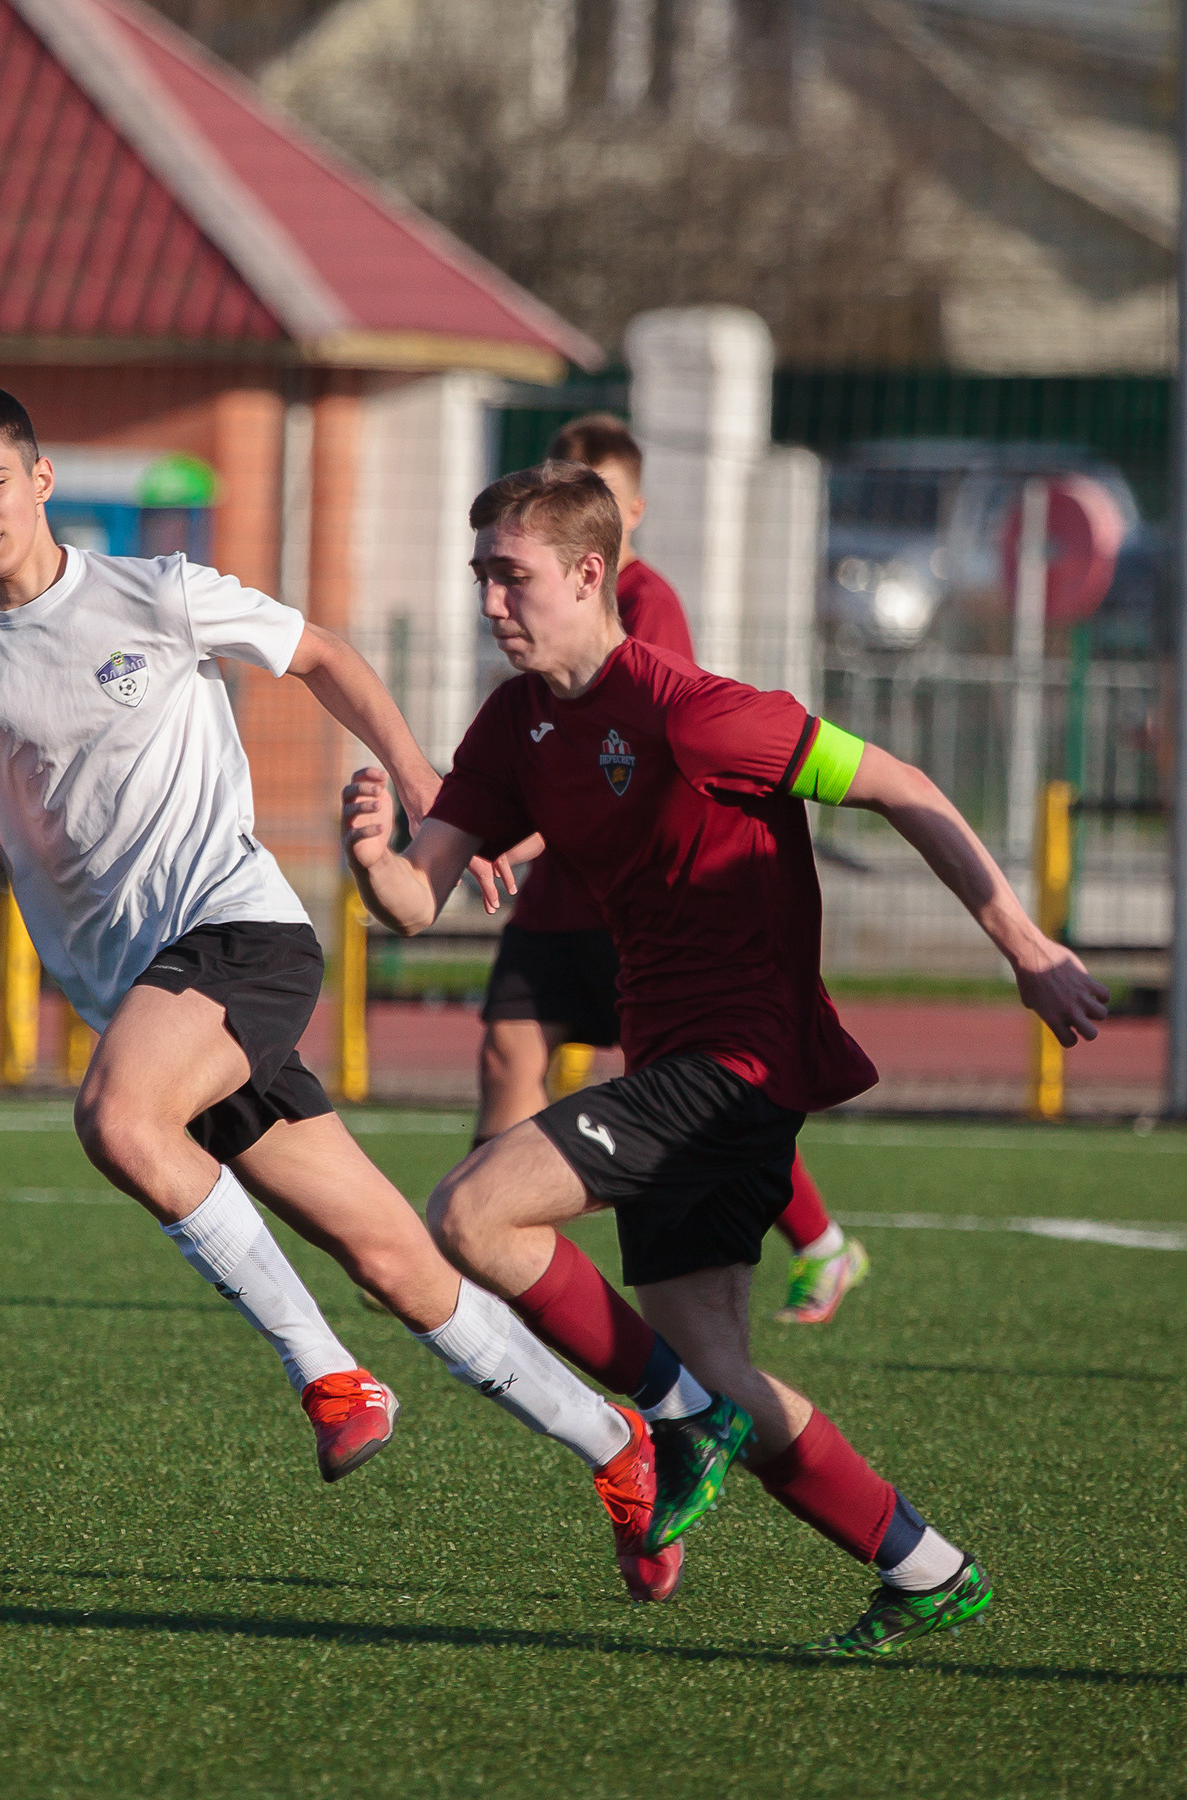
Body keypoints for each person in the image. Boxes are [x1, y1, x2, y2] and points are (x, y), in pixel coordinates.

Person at [0, 385, 700, 1603]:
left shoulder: (153, 591)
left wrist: (432, 789)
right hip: (146, 1000)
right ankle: (617, 1447)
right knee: (390, 1254)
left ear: (41, 478)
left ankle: (328, 1375)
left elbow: (320, 653)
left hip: (239, 932)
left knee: (116, 1121)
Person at [344, 461, 1107, 1655]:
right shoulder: (514, 722)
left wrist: (1021, 942)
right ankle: (926, 1567)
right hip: (669, 1055)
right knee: (719, 1375)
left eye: (512, 576)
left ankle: (670, 1423)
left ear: (587, 574)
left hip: (741, 1063)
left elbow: (902, 786)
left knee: (473, 1212)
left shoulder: (693, 709)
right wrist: (369, 854)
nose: (490, 601)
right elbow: (411, 899)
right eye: (480, 576)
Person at [473, 415, 868, 1327]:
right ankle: (487, 1250)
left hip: (635, 904)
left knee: (692, 1087)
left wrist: (524, 829)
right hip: (556, 900)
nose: (498, 597)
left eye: (596, 494)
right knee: (507, 1051)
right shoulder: (517, 687)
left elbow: (634, 760)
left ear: (623, 521)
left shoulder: (644, 612)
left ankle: (816, 1240)